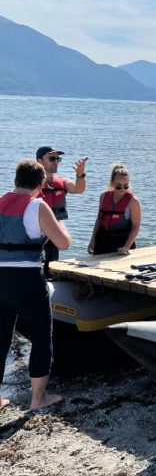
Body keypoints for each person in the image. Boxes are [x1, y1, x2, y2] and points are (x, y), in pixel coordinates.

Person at [0, 160, 71, 411]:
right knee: (41, 335)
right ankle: (38, 398)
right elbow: (63, 243)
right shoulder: (38, 205)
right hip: (27, 279)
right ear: (41, 184)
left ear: (16, 180)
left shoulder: (0, 202)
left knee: (1, 337)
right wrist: (60, 222)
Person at [36, 146, 88, 272]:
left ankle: (51, 281)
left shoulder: (62, 182)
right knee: (36, 261)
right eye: (52, 158)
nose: (56, 162)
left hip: (54, 229)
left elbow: (78, 189)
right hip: (35, 231)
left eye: (58, 159)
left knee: (52, 263)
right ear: (39, 161)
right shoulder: (31, 184)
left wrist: (80, 175)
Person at [88, 165, 141, 255]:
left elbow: (136, 226)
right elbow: (99, 220)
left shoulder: (133, 201)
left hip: (122, 245)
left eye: (126, 186)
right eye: (119, 186)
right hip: (102, 241)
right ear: (112, 183)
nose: (122, 189)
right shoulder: (104, 196)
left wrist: (126, 247)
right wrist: (92, 240)